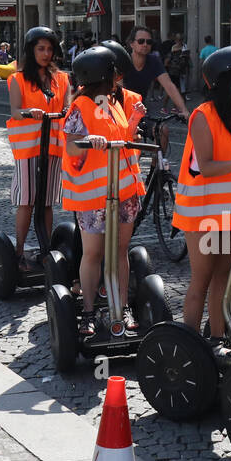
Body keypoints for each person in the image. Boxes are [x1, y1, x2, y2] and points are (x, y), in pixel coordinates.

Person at [173, 46, 231, 346]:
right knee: (202, 279)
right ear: (226, 80)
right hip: (200, 212)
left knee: (224, 279)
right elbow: (207, 166)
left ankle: (218, 340)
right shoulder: (202, 116)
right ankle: (190, 346)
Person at [61, 46, 145, 334]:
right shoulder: (79, 107)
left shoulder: (113, 103)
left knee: (120, 252)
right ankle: (87, 311)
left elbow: (122, 140)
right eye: (114, 72)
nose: (118, 77)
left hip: (123, 194)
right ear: (104, 75)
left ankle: (122, 308)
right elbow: (71, 147)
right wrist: (88, 139)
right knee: (94, 253)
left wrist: (132, 123)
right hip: (93, 197)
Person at [7, 27, 70, 272]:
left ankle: (45, 253)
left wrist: (67, 110)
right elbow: (14, 110)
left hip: (53, 148)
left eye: (49, 49)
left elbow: (68, 105)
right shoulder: (18, 79)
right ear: (31, 50)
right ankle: (19, 252)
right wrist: (27, 113)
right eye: (41, 48)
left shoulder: (62, 79)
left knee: (46, 203)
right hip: (28, 149)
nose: (46, 53)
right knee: (27, 201)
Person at [121, 25, 189, 115]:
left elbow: (169, 86)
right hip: (121, 110)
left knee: (162, 129)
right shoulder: (123, 60)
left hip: (140, 109)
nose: (145, 44)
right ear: (132, 44)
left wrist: (184, 109)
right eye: (141, 41)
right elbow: (118, 90)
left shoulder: (154, 60)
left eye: (149, 42)